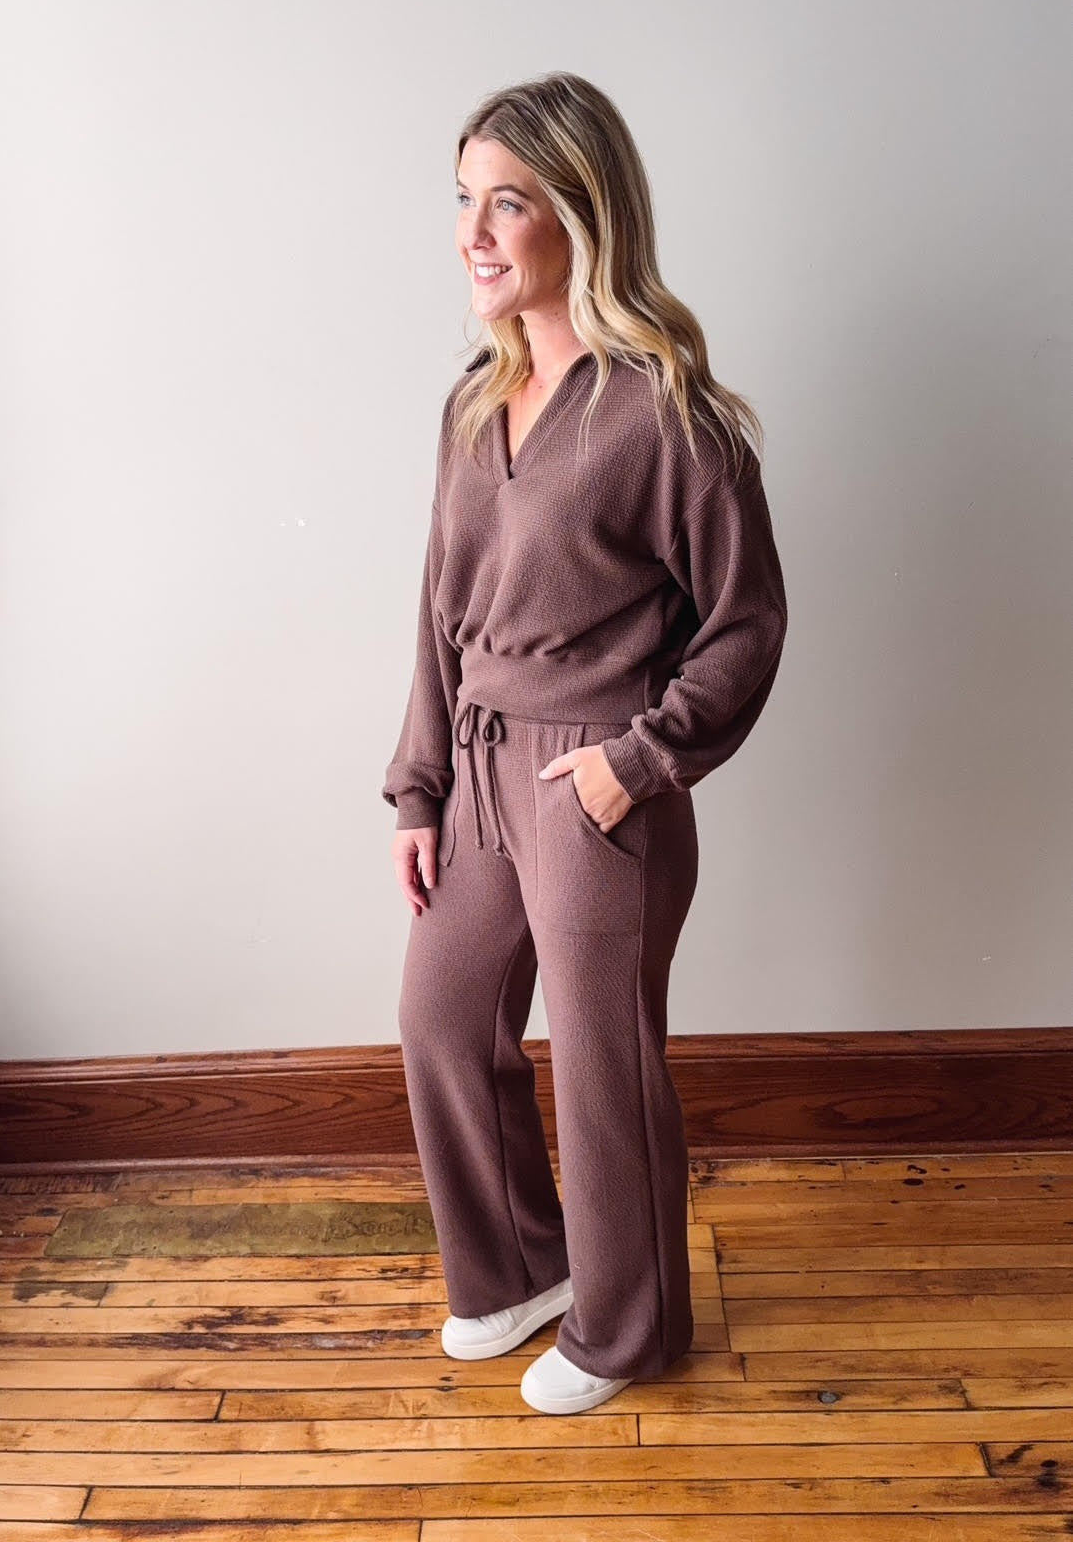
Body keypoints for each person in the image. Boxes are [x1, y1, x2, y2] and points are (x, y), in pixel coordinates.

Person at [382, 71, 788, 1416]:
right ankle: (519, 1271)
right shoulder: (468, 406)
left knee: (602, 1065)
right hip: (484, 765)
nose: (472, 232)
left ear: (581, 214)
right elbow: (438, 614)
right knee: (441, 1019)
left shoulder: (666, 414)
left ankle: (628, 1330)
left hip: (594, 775)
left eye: (508, 201)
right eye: (463, 198)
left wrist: (640, 757)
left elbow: (742, 627)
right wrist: (419, 789)